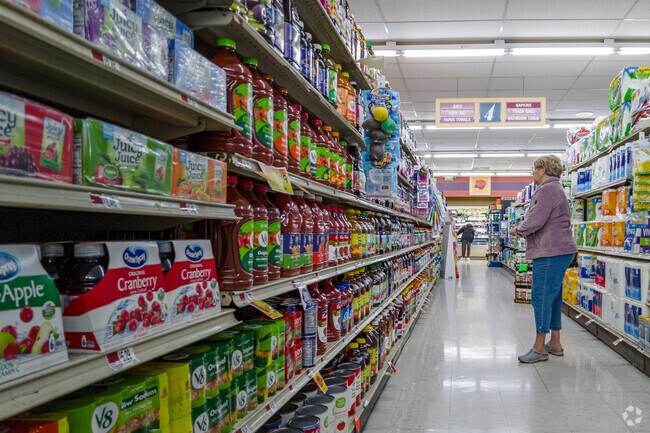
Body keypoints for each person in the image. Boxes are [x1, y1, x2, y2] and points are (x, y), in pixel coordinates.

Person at [509, 155, 577, 364]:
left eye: (534, 169)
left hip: (550, 250)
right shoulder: (556, 189)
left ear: (542, 169)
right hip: (560, 249)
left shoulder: (546, 189)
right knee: (554, 296)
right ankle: (555, 343)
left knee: (540, 297)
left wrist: (517, 230)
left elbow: (535, 220)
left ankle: (539, 347)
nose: (532, 174)